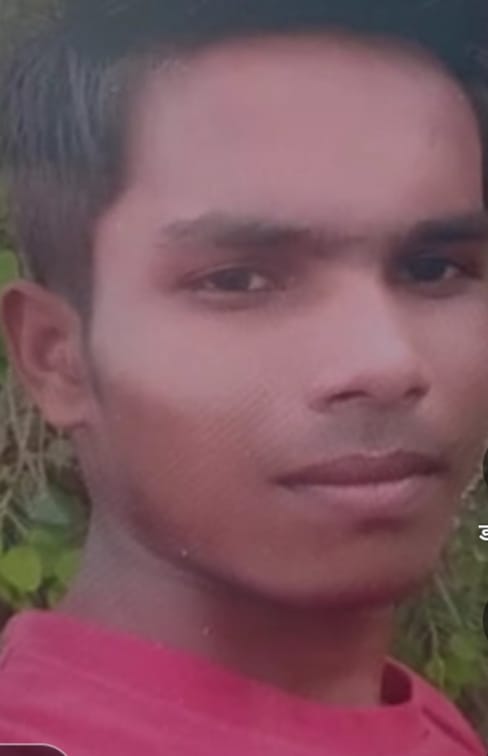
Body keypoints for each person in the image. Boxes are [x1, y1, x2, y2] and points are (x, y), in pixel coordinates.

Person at [0, 1, 487, 754]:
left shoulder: (418, 720)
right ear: (54, 358)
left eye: (433, 269)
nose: (388, 361)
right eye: (239, 281)